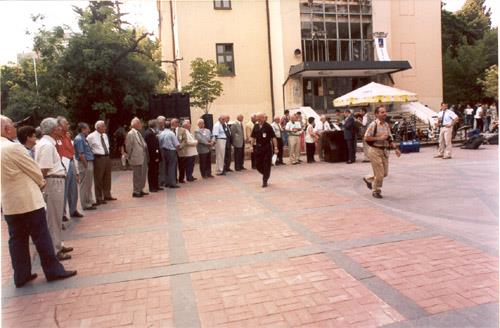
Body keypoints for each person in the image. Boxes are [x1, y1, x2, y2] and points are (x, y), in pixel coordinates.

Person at [1, 115, 77, 287]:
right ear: (7, 129)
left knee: (17, 239)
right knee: (42, 236)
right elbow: (34, 169)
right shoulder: (13, 148)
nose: (15, 129)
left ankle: (21, 274)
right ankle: (53, 270)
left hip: (9, 203)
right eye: (13, 126)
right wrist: (42, 183)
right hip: (27, 201)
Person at [34, 118, 73, 261]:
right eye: (58, 127)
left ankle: (58, 244)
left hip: (55, 181)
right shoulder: (47, 145)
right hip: (52, 182)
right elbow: (43, 169)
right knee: (53, 218)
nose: (61, 129)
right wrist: (41, 186)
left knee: (56, 217)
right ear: (52, 130)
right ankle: (55, 250)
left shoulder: (48, 144)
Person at [363, 106, 401, 199]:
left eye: (385, 112)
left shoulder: (386, 125)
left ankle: (368, 178)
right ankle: (376, 191)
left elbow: (389, 137)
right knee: (379, 174)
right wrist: (379, 138)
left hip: (384, 150)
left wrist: (395, 148)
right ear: (376, 114)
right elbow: (366, 138)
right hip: (374, 150)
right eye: (382, 112)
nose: (385, 114)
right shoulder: (373, 125)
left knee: (384, 173)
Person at [56, 116, 83, 221]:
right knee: (64, 189)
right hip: (62, 164)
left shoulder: (67, 137)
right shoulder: (56, 138)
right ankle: (62, 213)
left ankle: (73, 209)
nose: (68, 125)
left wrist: (75, 171)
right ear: (60, 126)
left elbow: (72, 151)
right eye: (66, 123)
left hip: (70, 162)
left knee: (73, 188)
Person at [87, 120, 116, 204]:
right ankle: (99, 198)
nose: (105, 127)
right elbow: (88, 147)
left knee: (107, 177)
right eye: (103, 126)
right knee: (98, 178)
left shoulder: (105, 135)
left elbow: (107, 146)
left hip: (107, 157)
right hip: (98, 158)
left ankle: (107, 195)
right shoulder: (91, 136)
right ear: (98, 127)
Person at [251, 112, 278, 187]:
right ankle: (266, 174)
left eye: (259, 118)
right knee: (257, 164)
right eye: (257, 118)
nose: (258, 120)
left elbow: (273, 137)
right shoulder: (256, 126)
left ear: (263, 118)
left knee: (266, 164)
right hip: (258, 148)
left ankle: (264, 180)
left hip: (267, 148)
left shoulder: (268, 126)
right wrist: (251, 146)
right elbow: (253, 136)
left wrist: (275, 148)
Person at [73, 123, 96, 211]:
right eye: (87, 129)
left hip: (87, 162)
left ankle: (89, 201)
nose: (89, 130)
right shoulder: (79, 139)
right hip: (84, 163)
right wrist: (86, 165)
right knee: (85, 184)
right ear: (82, 129)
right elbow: (81, 154)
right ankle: (86, 204)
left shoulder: (83, 138)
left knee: (88, 183)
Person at [125, 117, 149, 198]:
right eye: (139, 123)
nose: (140, 124)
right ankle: (136, 191)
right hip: (136, 157)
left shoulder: (138, 133)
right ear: (135, 124)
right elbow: (128, 147)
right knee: (137, 175)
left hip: (143, 156)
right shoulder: (131, 133)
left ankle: (140, 189)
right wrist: (130, 157)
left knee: (142, 174)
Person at [144, 119, 162, 192]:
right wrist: (156, 157)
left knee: (156, 171)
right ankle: (152, 187)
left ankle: (156, 185)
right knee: (152, 172)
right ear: (155, 125)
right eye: (157, 124)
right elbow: (152, 147)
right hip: (152, 157)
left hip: (154, 156)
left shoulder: (152, 132)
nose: (158, 126)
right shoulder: (149, 133)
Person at [171, 118, 188, 183]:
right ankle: (174, 179)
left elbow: (185, 140)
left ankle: (181, 178)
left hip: (181, 151)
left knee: (181, 166)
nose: (172, 124)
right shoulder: (170, 130)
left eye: (173, 123)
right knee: (173, 166)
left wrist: (180, 146)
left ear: (177, 123)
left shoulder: (183, 130)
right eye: (171, 123)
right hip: (172, 151)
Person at [157, 116, 167, 186]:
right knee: (160, 166)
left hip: (165, 149)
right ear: (159, 122)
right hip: (159, 150)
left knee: (164, 165)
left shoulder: (164, 129)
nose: (164, 122)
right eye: (163, 121)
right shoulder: (156, 130)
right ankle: (160, 181)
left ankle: (164, 179)